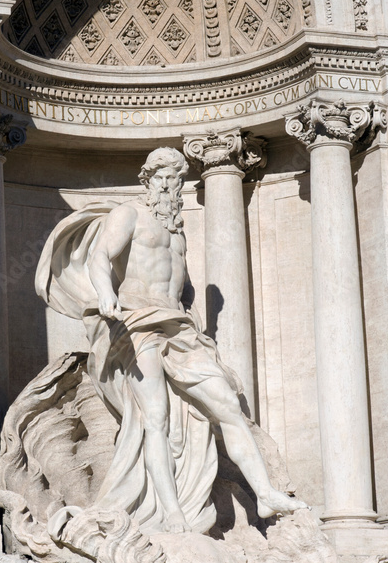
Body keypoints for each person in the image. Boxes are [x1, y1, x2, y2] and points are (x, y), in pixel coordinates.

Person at [35, 147, 305, 535]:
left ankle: (265, 493)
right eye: (161, 177)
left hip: (178, 328)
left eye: (176, 178)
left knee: (226, 403)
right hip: (137, 323)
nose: (168, 185)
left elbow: (184, 287)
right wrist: (106, 294)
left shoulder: (177, 230)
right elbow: (100, 257)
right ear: (147, 180)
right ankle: (171, 511)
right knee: (155, 419)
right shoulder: (129, 214)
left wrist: (194, 316)